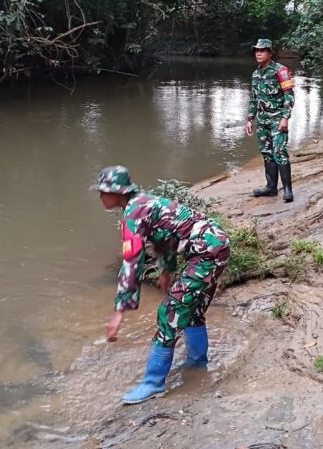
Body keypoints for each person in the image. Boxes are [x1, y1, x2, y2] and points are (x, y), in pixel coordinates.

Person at [91, 165, 231, 405]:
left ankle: (154, 383)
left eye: (103, 191)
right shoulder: (144, 202)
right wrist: (165, 270)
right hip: (217, 246)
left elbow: (132, 263)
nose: (100, 196)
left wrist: (119, 312)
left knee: (168, 313)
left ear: (118, 192)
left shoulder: (134, 213)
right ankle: (197, 363)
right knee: (192, 311)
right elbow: (164, 236)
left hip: (206, 253)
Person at [244, 38, 295, 202]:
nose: (258, 53)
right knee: (266, 153)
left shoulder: (281, 71)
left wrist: (285, 118)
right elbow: (253, 98)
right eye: (256, 51)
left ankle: (287, 190)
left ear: (270, 53)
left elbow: (289, 95)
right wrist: (250, 118)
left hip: (277, 120)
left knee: (280, 152)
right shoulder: (255, 74)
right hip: (262, 121)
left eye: (262, 50)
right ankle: (271, 187)